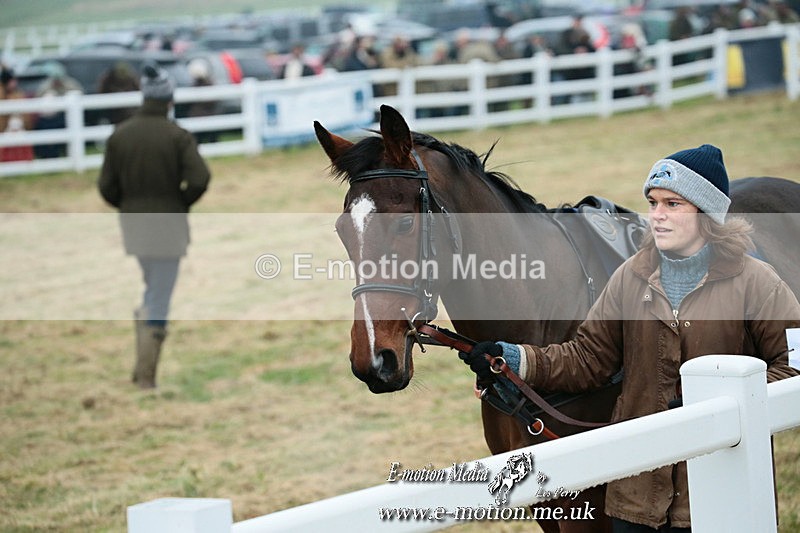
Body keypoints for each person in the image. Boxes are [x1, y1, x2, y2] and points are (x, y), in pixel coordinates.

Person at [459, 144, 800, 532]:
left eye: (673, 204)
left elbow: (793, 366)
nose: (657, 215)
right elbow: (587, 359)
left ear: (707, 214)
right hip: (635, 502)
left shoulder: (757, 283)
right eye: (653, 202)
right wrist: (514, 359)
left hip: (723, 489)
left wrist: (722, 406)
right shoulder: (629, 278)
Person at [98, 64, 211, 389]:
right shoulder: (177, 135)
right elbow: (200, 178)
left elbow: (106, 187)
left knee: (152, 289)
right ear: (169, 99)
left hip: (134, 229)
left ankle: (140, 368)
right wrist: (181, 202)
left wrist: (129, 205)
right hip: (168, 229)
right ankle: (146, 377)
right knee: (159, 295)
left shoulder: (120, 135)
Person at [0, 65, 34, 162]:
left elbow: (24, 114)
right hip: (4, 127)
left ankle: (25, 160)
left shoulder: (18, 94)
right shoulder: (2, 93)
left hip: (18, 126)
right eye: (12, 81)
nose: (15, 83)